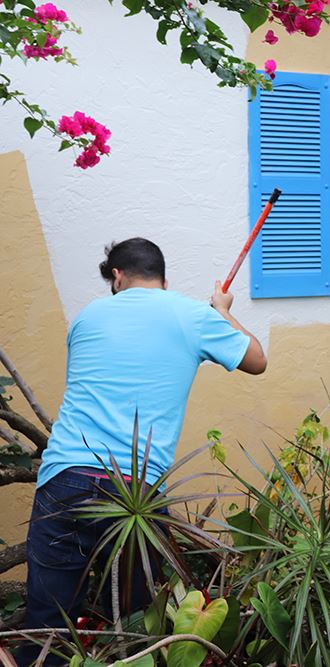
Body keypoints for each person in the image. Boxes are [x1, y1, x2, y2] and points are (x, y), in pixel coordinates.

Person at [18, 238, 266, 666]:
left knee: (48, 625)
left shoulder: (87, 317)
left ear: (117, 277)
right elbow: (257, 361)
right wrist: (222, 312)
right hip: (135, 492)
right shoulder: (192, 315)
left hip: (65, 478)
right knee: (137, 623)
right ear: (164, 279)